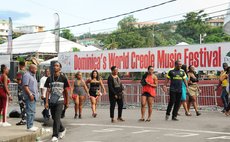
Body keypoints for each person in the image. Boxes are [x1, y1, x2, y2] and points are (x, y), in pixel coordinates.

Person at [45, 62, 69, 142]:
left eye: (57, 66)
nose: (55, 67)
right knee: (54, 117)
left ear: (60, 68)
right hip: (52, 101)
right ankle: (62, 129)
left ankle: (55, 135)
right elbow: (48, 91)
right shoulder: (49, 78)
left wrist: (67, 102)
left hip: (60, 100)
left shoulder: (63, 78)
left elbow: (66, 91)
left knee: (57, 118)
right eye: (54, 66)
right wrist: (46, 102)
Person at [22, 64, 39, 131]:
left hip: (34, 96)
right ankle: (29, 126)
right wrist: (30, 94)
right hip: (30, 96)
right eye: (35, 69)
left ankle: (31, 124)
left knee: (33, 111)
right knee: (30, 111)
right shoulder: (27, 75)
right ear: (31, 69)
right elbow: (25, 86)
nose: (36, 70)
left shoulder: (33, 76)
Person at [15, 61, 27, 126]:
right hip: (26, 90)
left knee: (22, 105)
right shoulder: (26, 72)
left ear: (20, 65)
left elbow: (19, 82)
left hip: (21, 91)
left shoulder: (19, 72)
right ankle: (26, 119)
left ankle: (23, 120)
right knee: (25, 105)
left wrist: (15, 80)